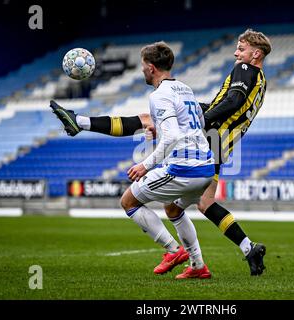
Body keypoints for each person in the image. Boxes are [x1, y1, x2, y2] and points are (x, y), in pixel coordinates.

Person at [51, 29, 271, 275]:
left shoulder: (244, 69)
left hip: (209, 138)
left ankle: (80, 123)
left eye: (241, 49)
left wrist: (200, 120)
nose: (236, 53)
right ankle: (243, 249)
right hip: (220, 146)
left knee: (148, 122)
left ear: (256, 54)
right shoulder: (261, 81)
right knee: (193, 205)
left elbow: (233, 101)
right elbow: (233, 105)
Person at [52, 42, 215, 279]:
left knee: (129, 201)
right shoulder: (185, 89)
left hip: (185, 169)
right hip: (207, 168)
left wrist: (144, 165)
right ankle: (198, 266)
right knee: (172, 208)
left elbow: (172, 135)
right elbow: (197, 125)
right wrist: (162, 134)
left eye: (142, 66)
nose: (141, 71)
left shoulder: (159, 95)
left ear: (151, 68)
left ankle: (173, 251)